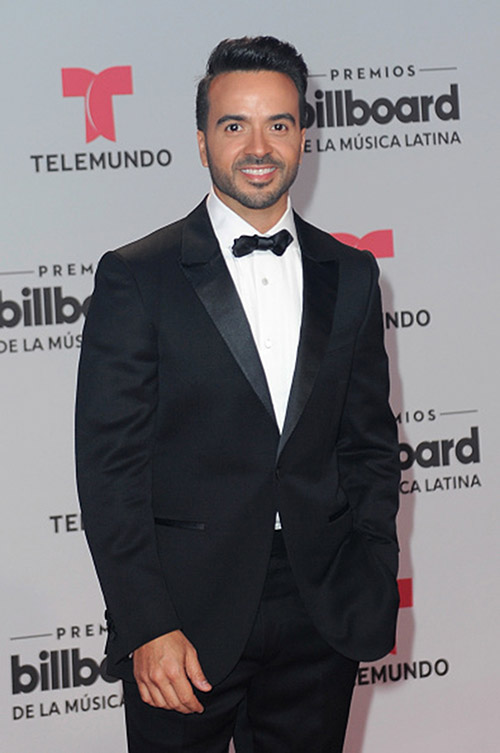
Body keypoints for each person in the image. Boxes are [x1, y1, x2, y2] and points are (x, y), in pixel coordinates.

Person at [75, 35, 400, 753]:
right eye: (235, 125)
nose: (259, 146)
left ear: (303, 137)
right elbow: (109, 475)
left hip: (321, 607)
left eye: (278, 124)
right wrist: (146, 623)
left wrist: (370, 570)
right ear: (201, 142)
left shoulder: (350, 273)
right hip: (183, 617)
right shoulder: (139, 276)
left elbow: (370, 443)